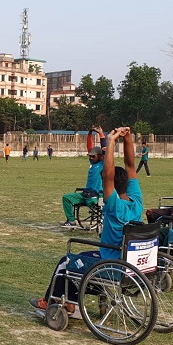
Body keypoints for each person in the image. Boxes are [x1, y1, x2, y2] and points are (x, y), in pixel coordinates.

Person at [31, 127, 142, 310]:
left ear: (112, 185)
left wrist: (111, 141)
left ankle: (50, 301)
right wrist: (128, 137)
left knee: (66, 262)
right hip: (130, 263)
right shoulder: (136, 201)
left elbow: (108, 175)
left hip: (112, 261)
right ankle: (76, 300)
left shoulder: (113, 204)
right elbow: (131, 164)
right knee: (82, 259)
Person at [60, 126, 105, 228]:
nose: (91, 157)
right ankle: (71, 221)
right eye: (90, 156)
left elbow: (104, 148)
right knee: (66, 198)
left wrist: (101, 134)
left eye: (93, 156)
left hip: (97, 196)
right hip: (86, 194)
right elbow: (89, 147)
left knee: (91, 201)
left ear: (100, 156)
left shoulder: (104, 164)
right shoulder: (93, 163)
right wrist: (89, 133)